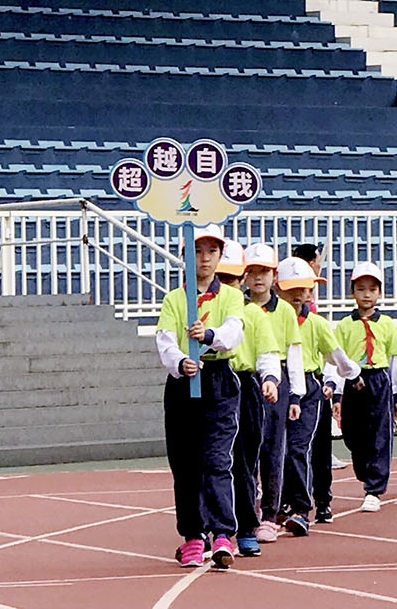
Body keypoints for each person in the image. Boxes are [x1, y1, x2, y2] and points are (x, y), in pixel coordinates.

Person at [155, 224, 244, 569]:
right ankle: (193, 535)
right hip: (183, 385)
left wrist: (208, 336)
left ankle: (223, 532)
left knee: (217, 460)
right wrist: (180, 361)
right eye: (196, 251)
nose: (204, 259)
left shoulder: (231, 296)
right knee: (185, 464)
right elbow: (164, 339)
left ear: (220, 257)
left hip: (219, 381)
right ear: (184, 256)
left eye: (211, 252)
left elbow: (233, 331)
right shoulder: (174, 299)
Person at [276, 256, 358, 536]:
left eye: (306, 288)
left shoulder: (317, 324)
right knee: (275, 447)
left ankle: (301, 508)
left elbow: (337, 356)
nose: (301, 295)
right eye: (294, 289)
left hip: (309, 386)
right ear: (279, 290)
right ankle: (278, 501)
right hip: (275, 382)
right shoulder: (271, 319)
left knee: (299, 447)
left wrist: (351, 375)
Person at [239, 243, 306, 549]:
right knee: (245, 447)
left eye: (264, 271)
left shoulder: (285, 313)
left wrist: (295, 395)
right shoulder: (236, 308)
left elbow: (293, 354)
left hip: (276, 380)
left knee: (273, 448)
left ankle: (270, 513)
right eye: (252, 271)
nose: (257, 278)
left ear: (274, 275)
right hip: (244, 378)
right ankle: (247, 508)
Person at [223, 242, 282, 557]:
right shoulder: (204, 309)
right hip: (210, 384)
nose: (227, 286)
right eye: (222, 278)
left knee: (245, 461)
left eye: (232, 279)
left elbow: (268, 353)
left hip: (244, 387)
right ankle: (215, 526)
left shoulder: (253, 315)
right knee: (212, 461)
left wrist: (270, 379)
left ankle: (246, 526)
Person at [335, 261, 397, 512]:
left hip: (378, 380)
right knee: (353, 435)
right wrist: (338, 394)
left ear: (379, 293)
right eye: (361, 289)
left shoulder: (386, 324)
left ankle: (375, 488)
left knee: (379, 434)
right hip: (354, 382)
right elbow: (338, 360)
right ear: (353, 292)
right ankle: (364, 471)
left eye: (372, 289)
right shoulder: (344, 326)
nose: (366, 294)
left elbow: (394, 360)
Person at [293, 242, 337, 523]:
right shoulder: (282, 316)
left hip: (315, 383)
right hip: (288, 385)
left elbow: (332, 353)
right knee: (291, 447)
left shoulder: (316, 318)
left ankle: (321, 500)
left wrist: (333, 380)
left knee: (319, 446)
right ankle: (294, 501)